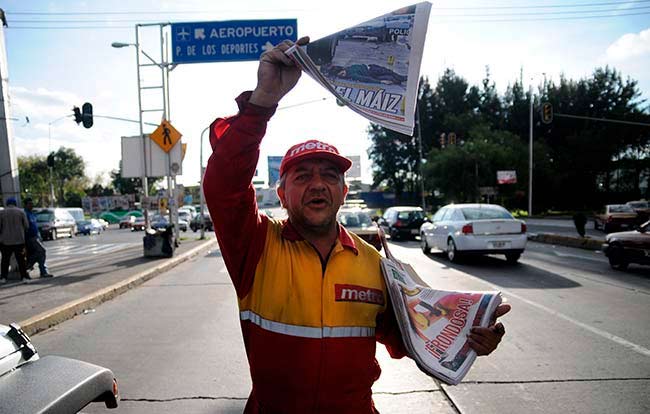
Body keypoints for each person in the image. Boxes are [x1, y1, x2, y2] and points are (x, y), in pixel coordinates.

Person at [203, 37, 511, 413]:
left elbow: (414, 337)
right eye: (302, 176)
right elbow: (224, 186)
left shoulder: (374, 264)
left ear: (343, 191)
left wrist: (472, 334)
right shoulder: (256, 245)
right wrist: (263, 101)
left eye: (329, 175)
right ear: (281, 194)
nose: (317, 184)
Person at [0, 197, 30, 283]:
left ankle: (3, 278)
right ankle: (24, 277)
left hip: (5, 241)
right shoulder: (21, 212)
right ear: (15, 203)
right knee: (21, 260)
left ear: (7, 203)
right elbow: (26, 226)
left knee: (5, 260)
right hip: (19, 240)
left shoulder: (2, 212)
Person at [24, 198, 53, 278]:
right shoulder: (25, 214)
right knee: (41, 251)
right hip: (29, 237)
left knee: (39, 253)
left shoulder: (32, 214)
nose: (31, 205)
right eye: (29, 204)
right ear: (26, 205)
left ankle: (42, 271)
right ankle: (28, 266)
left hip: (36, 236)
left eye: (32, 204)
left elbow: (35, 225)